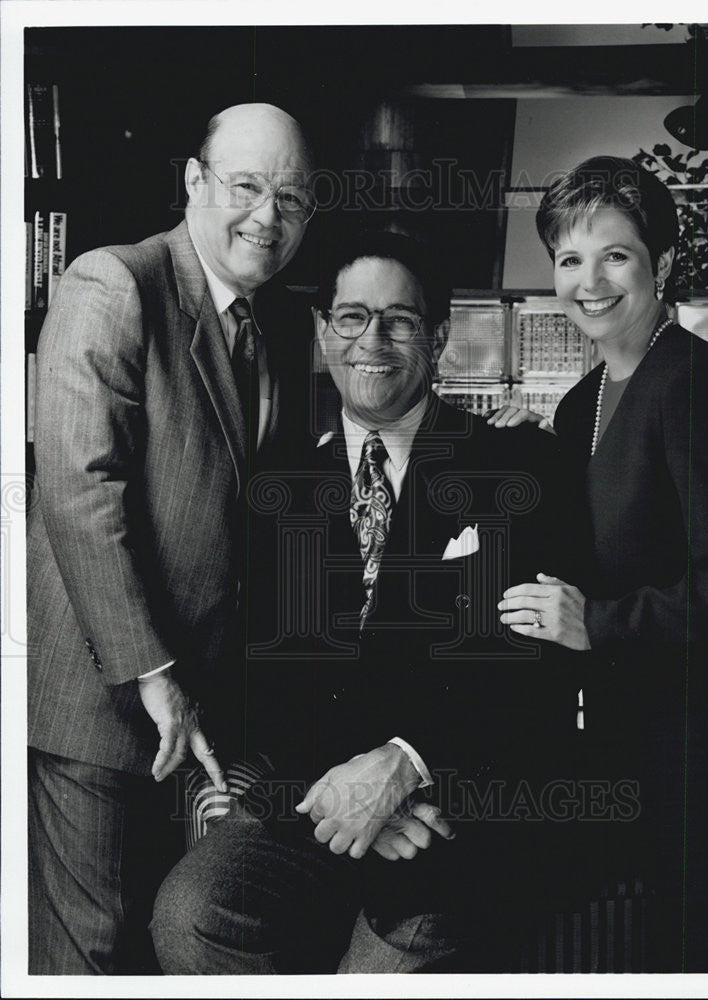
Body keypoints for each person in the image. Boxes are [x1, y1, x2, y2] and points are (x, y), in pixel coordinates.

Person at [151, 230, 585, 974]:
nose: (371, 340)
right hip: (320, 797)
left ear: (440, 337)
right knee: (192, 918)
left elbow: (537, 677)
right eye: (350, 317)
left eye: (400, 320)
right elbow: (266, 675)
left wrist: (408, 765)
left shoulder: (519, 464)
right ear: (325, 333)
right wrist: (350, 790)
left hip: (457, 814)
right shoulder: (279, 480)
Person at [27, 103, 316, 973]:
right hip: (107, 704)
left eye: (293, 199)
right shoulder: (111, 284)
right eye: (246, 186)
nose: (267, 216)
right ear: (194, 183)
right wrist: (155, 678)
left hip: (200, 718)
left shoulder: (277, 327)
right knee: (93, 955)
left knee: (160, 948)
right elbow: (79, 491)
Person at [494, 156, 708, 971]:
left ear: (663, 264)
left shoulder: (695, 385)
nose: (588, 280)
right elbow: (605, 531)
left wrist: (601, 623)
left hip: (698, 746)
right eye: (569, 259)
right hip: (622, 734)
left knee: (700, 951)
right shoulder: (584, 401)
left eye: (614, 254)